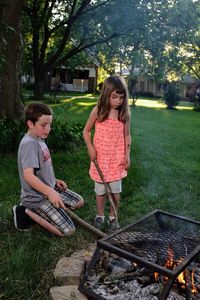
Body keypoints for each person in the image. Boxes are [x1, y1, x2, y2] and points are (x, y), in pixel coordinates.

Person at [13, 102, 84, 236]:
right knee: (68, 231)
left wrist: (54, 180)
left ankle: (51, 210)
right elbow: (28, 176)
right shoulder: (29, 144)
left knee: (78, 202)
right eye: (44, 125)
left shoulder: (39, 138)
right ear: (30, 124)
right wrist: (50, 193)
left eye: (50, 124)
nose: (48, 129)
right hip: (36, 198)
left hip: (49, 188)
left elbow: (40, 170)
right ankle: (26, 212)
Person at [83, 76, 131, 231]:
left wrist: (127, 154)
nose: (118, 101)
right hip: (101, 159)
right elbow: (86, 131)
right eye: (114, 97)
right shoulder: (98, 111)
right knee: (100, 191)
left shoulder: (124, 114)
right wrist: (90, 147)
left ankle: (112, 217)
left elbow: (127, 135)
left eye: (121, 98)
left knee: (116, 190)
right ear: (106, 94)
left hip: (116, 160)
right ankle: (100, 215)